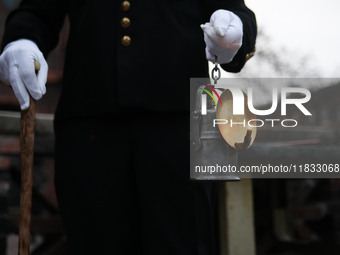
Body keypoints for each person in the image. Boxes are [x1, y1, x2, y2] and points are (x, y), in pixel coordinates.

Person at [0, 1, 256, 254]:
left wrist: (235, 30)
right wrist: (22, 39)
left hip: (181, 130)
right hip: (90, 128)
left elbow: (236, 11)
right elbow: (37, 11)